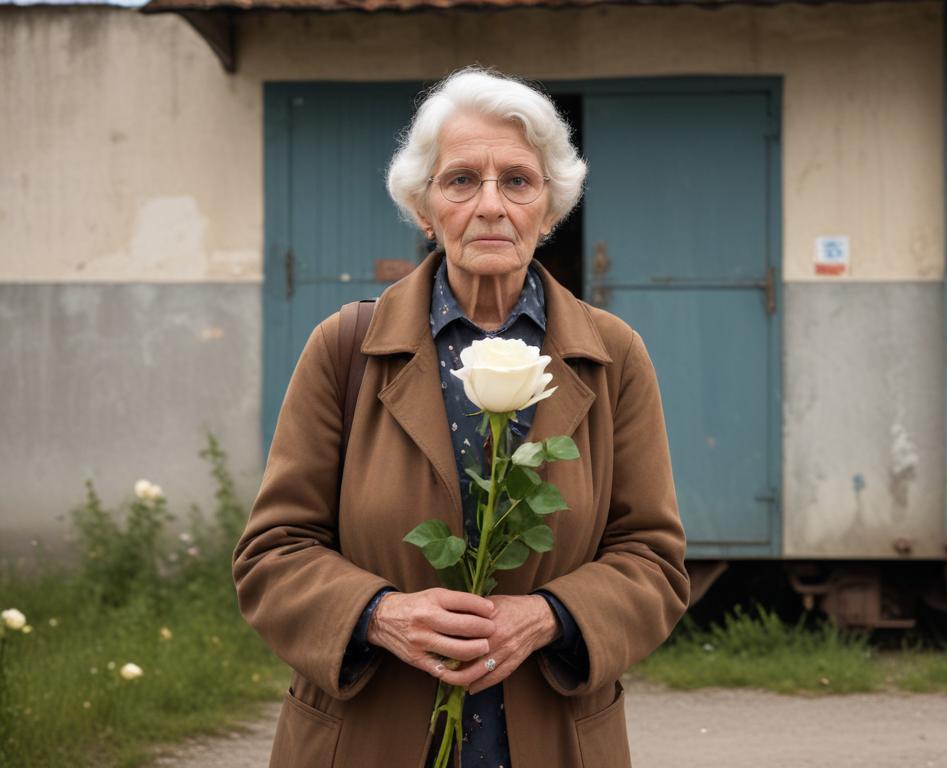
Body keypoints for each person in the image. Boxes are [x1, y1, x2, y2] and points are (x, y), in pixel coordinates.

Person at [233, 68, 689, 768]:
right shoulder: (345, 348)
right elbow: (273, 554)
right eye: (460, 181)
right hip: (367, 737)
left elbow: (652, 560)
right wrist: (382, 614)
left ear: (550, 206)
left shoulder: (613, 355)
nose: (490, 205)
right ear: (424, 208)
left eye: (517, 181)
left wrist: (548, 617)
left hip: (549, 738)